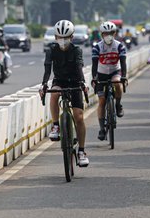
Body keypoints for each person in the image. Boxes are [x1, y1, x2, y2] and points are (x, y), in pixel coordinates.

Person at [39, 20, 89, 167]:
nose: (63, 40)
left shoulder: (76, 50)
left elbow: (79, 67)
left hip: (75, 82)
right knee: (54, 93)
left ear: (72, 37)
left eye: (66, 37)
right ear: (55, 37)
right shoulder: (51, 50)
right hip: (59, 81)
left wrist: (83, 83)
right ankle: (55, 125)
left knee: (79, 117)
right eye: (60, 37)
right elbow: (48, 69)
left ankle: (81, 151)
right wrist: (44, 84)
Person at [91, 21, 127, 141]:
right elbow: (94, 65)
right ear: (102, 35)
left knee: (117, 83)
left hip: (115, 72)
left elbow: (123, 62)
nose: (108, 36)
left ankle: (118, 105)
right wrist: (94, 78)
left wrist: (124, 76)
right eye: (106, 34)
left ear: (115, 33)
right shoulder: (97, 47)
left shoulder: (119, 46)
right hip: (101, 74)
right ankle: (102, 129)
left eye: (111, 33)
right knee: (101, 101)